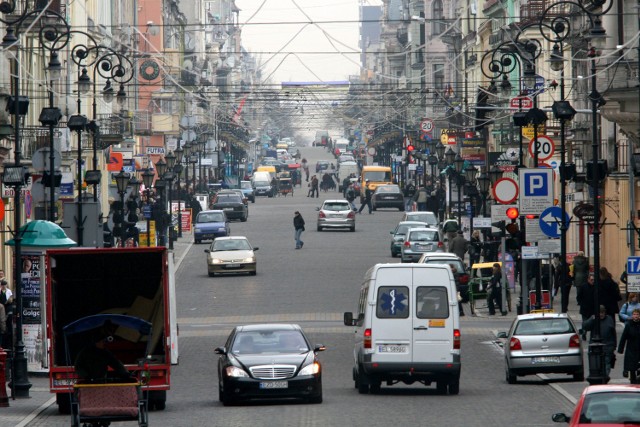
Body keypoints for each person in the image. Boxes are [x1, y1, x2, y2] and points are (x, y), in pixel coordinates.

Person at [583, 305, 617, 379]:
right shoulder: (593, 319)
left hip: (607, 346)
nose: (601, 314)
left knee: (607, 364)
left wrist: (613, 346)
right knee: (596, 365)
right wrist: (592, 319)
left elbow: (613, 333)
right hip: (595, 348)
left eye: (602, 312)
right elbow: (585, 327)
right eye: (599, 313)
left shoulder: (609, 319)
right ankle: (598, 377)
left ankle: (605, 378)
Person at [617, 308, 640, 384]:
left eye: (637, 314)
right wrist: (621, 349)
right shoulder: (629, 325)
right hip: (631, 349)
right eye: (634, 314)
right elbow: (624, 337)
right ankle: (633, 381)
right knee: (632, 368)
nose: (636, 316)